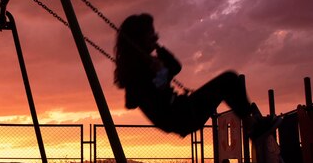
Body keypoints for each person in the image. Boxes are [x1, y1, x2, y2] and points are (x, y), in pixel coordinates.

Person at [114, 13, 280, 138]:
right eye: (150, 34)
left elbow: (175, 67)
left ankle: (253, 125)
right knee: (229, 80)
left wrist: (159, 48)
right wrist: (153, 77)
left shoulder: (152, 63)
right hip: (179, 115)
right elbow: (132, 101)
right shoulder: (135, 71)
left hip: (182, 109)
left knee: (230, 83)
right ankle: (252, 127)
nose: (154, 36)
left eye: (154, 34)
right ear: (139, 38)